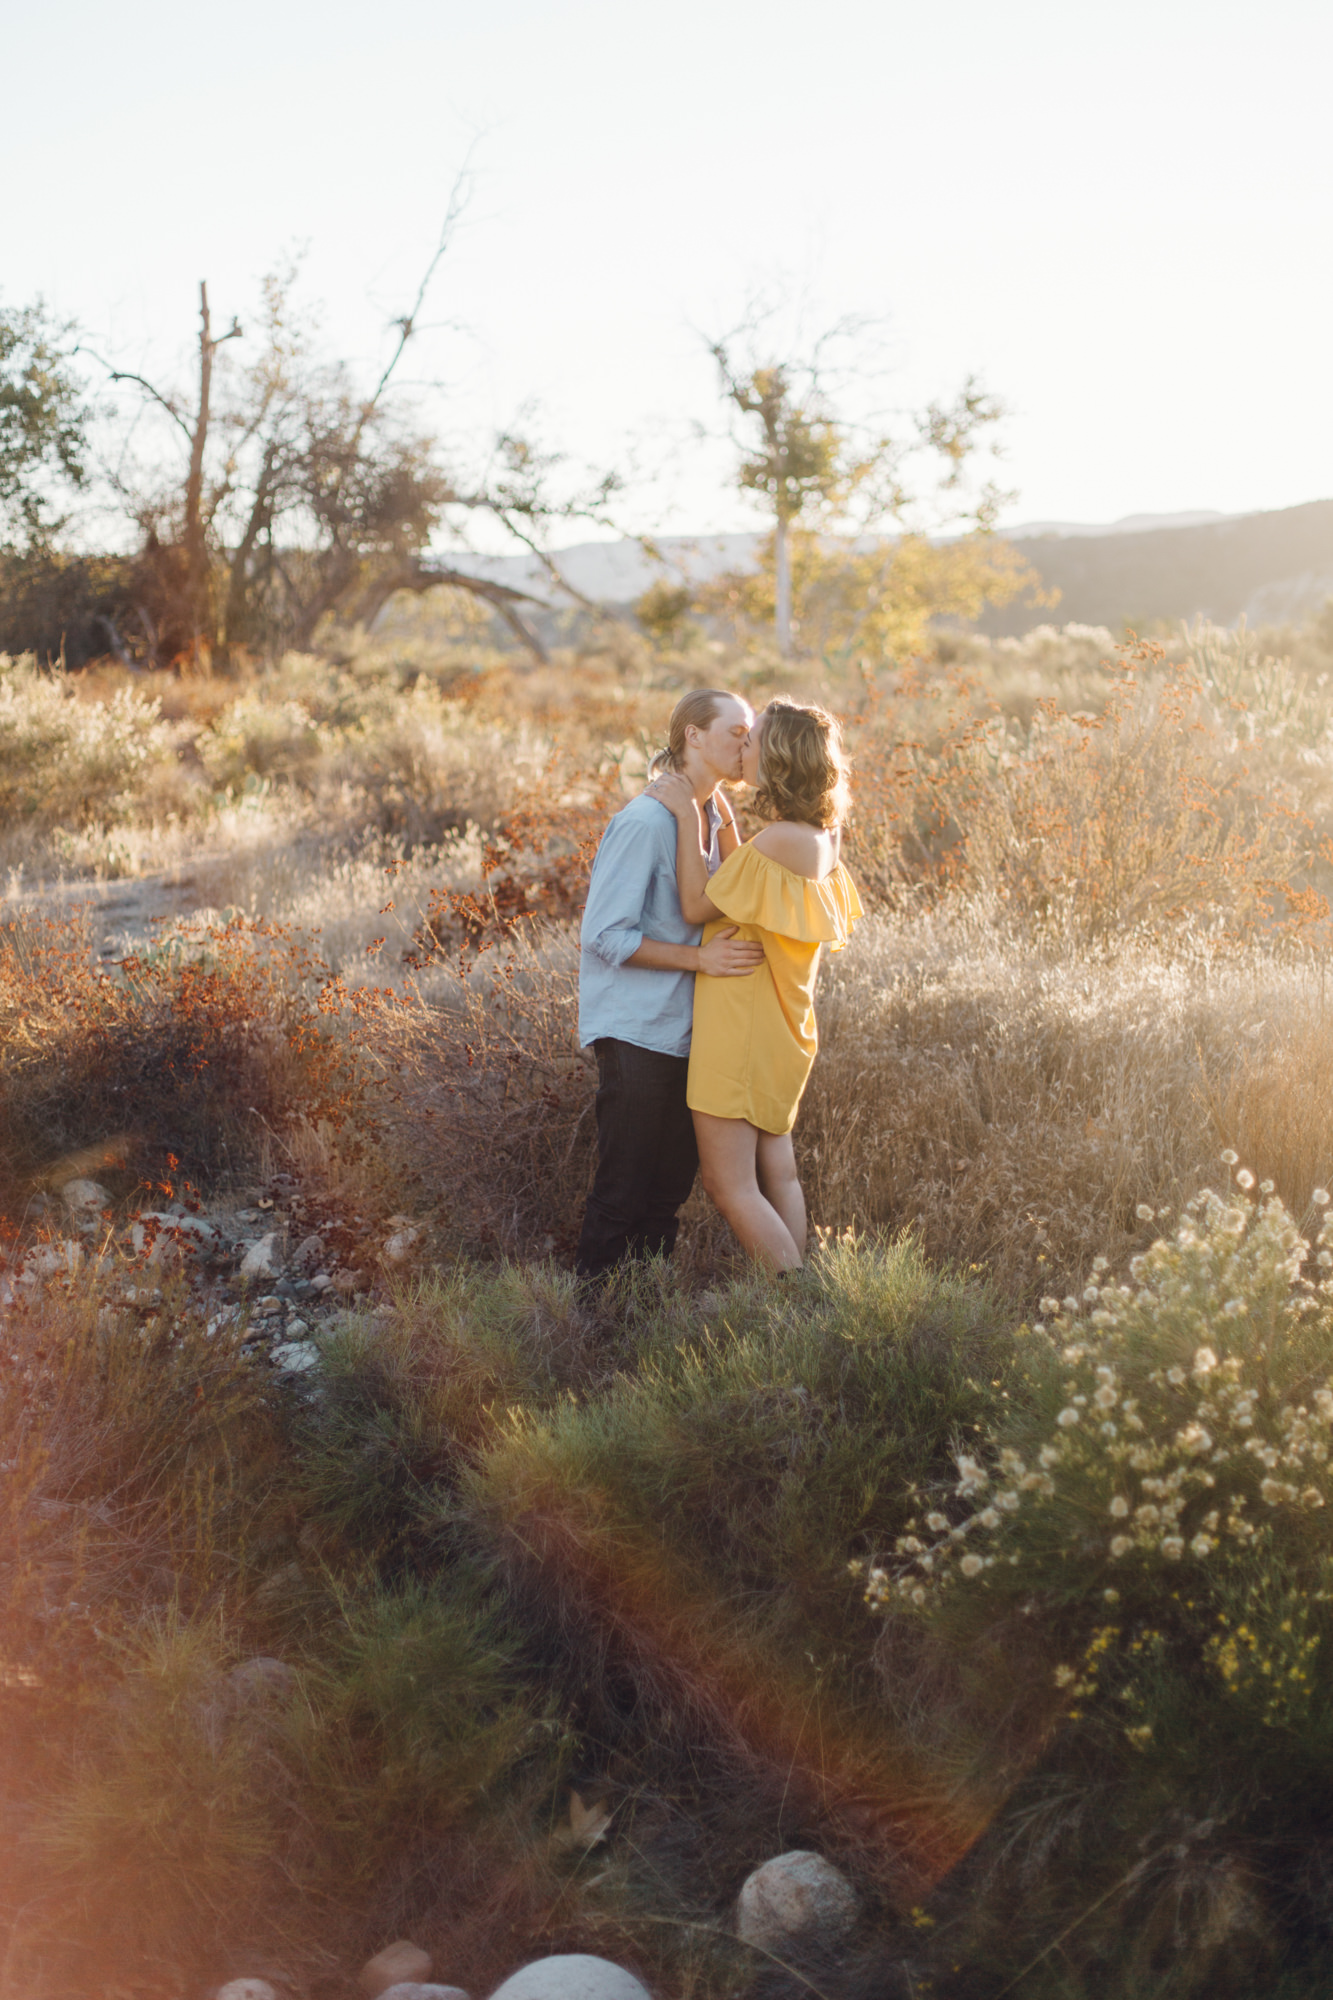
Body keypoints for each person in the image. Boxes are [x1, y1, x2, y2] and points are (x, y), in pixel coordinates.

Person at [647, 698, 861, 1271]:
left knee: (729, 1185)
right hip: (781, 1024)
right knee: (779, 1174)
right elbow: (752, 894)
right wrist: (728, 822)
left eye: (753, 739)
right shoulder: (817, 835)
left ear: (781, 756)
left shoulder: (780, 841)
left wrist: (692, 818)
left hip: (741, 1027)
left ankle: (794, 1301)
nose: (743, 748)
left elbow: (697, 905)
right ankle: (798, 1303)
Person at [574, 688, 763, 1280]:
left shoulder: (707, 815)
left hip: (691, 1034)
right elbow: (604, 935)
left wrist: (719, 814)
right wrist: (699, 963)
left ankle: (645, 1321)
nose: (748, 744)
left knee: (666, 1196)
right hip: (636, 1032)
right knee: (623, 1190)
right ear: (694, 737)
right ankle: (591, 1329)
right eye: (736, 731)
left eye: (750, 732)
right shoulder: (645, 820)